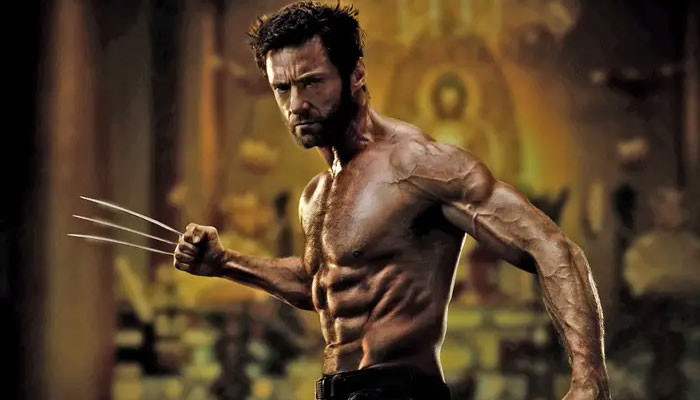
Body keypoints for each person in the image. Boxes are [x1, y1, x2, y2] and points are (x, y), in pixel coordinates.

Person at [173, 2, 610, 399]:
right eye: (282, 88)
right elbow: (321, 284)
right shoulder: (316, 194)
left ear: (356, 74)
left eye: (312, 83)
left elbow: (553, 249)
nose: (296, 104)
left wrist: (589, 382)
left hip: (400, 391)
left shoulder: (419, 165)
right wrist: (225, 263)